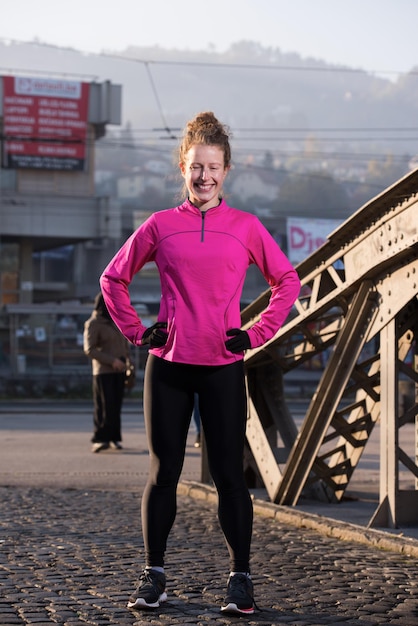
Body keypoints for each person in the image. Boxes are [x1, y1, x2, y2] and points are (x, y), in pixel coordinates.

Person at [100, 111, 300, 614]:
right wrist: (139, 332)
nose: (204, 176)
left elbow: (287, 283)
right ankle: (155, 577)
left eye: (213, 167)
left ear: (226, 170)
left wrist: (253, 334)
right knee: (163, 472)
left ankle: (240, 579)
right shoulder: (160, 227)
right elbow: (112, 279)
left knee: (230, 475)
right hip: (168, 365)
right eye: (195, 167)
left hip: (222, 366)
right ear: (183, 169)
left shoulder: (247, 228)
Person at [83, 291, 130, 453]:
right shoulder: (94, 323)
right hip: (103, 371)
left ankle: (114, 438)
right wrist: (112, 361)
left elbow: (124, 344)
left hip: (120, 370)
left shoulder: (116, 321)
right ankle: (101, 438)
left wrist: (127, 362)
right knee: (103, 406)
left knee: (115, 406)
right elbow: (90, 349)